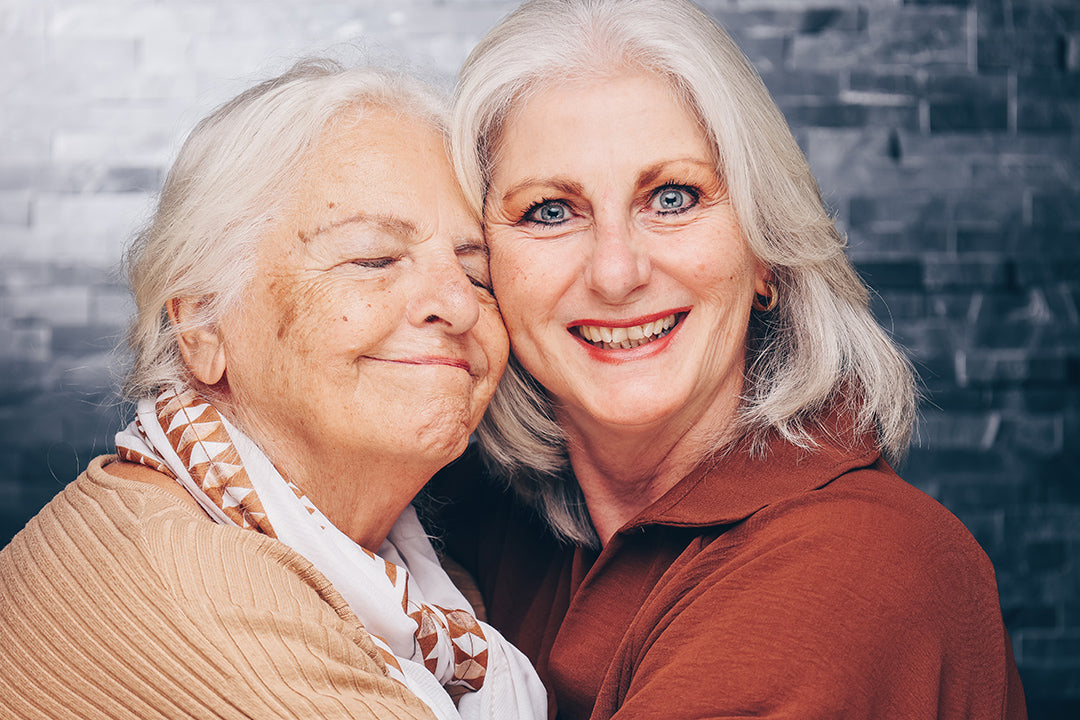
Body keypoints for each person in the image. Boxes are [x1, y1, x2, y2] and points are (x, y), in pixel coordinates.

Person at [432, 1, 1028, 717]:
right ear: (486, 271)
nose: (616, 273)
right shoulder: (480, 518)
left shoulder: (855, 565)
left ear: (764, 256)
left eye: (673, 198)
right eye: (551, 211)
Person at [0, 59, 546, 720]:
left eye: (477, 271)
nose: (458, 306)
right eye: (373, 258)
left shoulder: (409, 581)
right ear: (202, 325)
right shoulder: (215, 607)